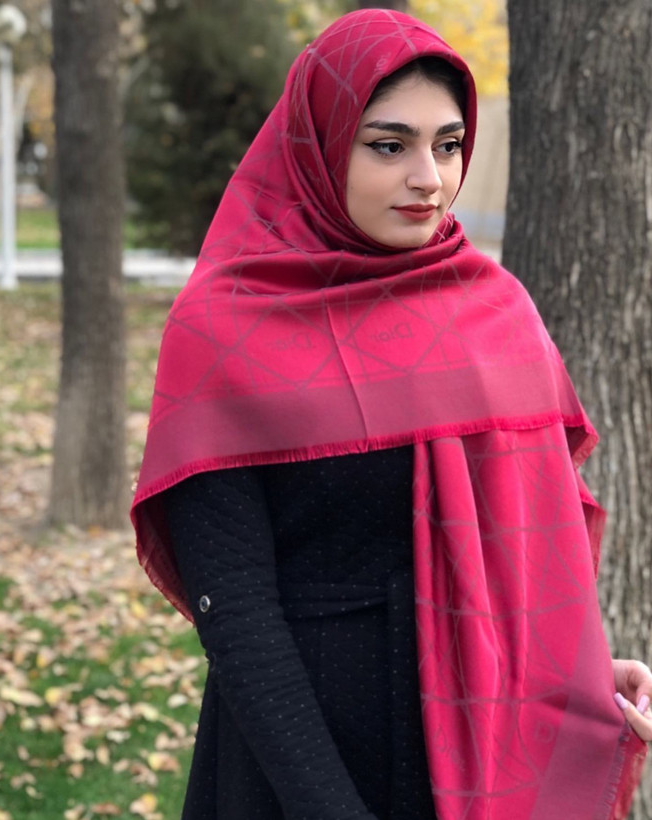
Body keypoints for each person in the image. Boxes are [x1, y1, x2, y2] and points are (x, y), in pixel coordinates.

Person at [131, 9, 652, 820]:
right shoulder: (221, 330)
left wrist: (573, 680)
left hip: (479, 751)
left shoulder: (495, 312)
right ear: (319, 145)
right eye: (388, 146)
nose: (429, 179)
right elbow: (236, 614)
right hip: (295, 762)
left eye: (448, 145)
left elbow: (520, 553)